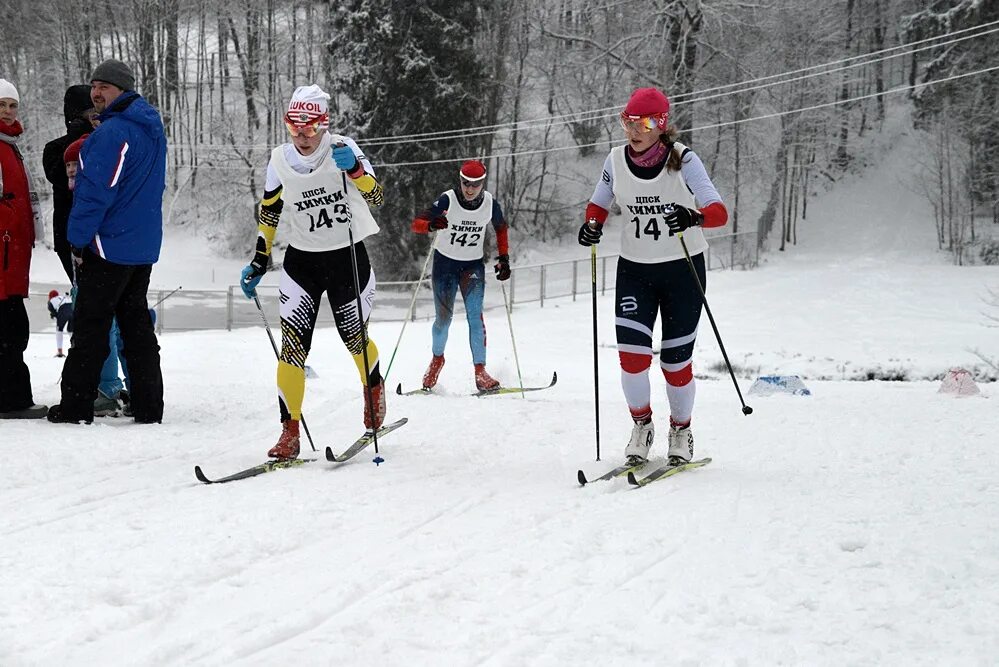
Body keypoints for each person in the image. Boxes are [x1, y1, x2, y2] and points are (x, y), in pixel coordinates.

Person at [577, 87, 728, 465]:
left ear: (660, 125)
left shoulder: (684, 160)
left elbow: (718, 211)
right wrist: (592, 225)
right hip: (635, 270)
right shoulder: (615, 160)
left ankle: (681, 429)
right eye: (627, 121)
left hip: (683, 269)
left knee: (675, 363)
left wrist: (694, 216)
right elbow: (598, 204)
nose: (634, 130)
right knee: (632, 358)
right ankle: (642, 426)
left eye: (643, 122)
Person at [239, 84, 387, 460]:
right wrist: (260, 259)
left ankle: (373, 391)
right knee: (292, 349)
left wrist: (354, 170)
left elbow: (377, 197)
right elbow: (270, 210)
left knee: (354, 339)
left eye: (309, 128)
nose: (302, 137)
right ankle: (289, 433)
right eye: (294, 128)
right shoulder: (279, 159)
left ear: (323, 125)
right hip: (302, 262)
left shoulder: (343, 148)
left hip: (347, 259)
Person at [47, 59, 166, 425]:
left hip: (108, 247)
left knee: (90, 328)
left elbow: (95, 193)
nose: (97, 93)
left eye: (105, 87)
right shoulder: (151, 128)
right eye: (94, 86)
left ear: (123, 90)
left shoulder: (111, 134)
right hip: (140, 246)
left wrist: (78, 241)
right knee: (136, 328)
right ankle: (149, 406)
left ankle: (75, 407)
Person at [410, 160, 511, 391]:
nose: (469, 189)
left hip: (472, 267)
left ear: (482, 183)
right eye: (465, 183)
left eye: (475, 184)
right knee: (443, 321)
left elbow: (501, 228)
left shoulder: (489, 203)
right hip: (445, 265)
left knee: (475, 318)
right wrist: (431, 225)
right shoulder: (448, 199)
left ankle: (480, 372)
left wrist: (504, 258)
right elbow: (416, 224)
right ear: (460, 180)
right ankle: (437, 360)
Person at [62, 133, 128, 417]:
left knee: (104, 328)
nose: (72, 170)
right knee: (115, 326)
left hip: (97, 264)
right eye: (68, 166)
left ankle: (108, 387)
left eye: (76, 163)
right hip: (100, 264)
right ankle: (124, 385)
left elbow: (89, 220)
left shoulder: (92, 191)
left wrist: (78, 246)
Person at [0, 77, 47, 419]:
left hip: (13, 256)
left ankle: (14, 397)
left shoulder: (10, 145)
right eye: (1, 105)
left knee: (13, 329)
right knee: (10, 330)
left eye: (12, 105)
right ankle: (11, 399)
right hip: (3, 257)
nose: (7, 111)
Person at [43, 85, 95, 281]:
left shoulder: (102, 143)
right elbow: (60, 176)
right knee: (84, 297)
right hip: (67, 235)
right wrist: (75, 138)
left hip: (100, 235)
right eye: (89, 113)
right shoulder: (54, 148)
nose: (94, 118)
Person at [47, 289, 73, 357]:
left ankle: (60, 351)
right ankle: (74, 346)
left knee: (59, 330)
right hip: (72, 308)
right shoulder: (63, 297)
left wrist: (53, 315)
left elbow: (53, 312)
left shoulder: (51, 301)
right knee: (70, 330)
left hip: (63, 310)